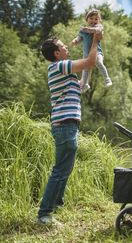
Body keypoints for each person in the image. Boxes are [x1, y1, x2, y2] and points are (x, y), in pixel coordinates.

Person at [37, 32, 102, 225]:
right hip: (64, 124)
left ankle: (55, 206)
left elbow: (83, 78)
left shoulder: (64, 71)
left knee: (64, 169)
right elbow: (89, 62)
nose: (67, 48)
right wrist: (95, 41)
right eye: (63, 46)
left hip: (67, 124)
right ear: (57, 53)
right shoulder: (59, 66)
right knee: (60, 170)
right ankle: (44, 214)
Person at [71, 9, 112, 92]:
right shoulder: (83, 31)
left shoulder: (99, 27)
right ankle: (85, 85)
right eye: (91, 18)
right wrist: (75, 41)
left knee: (99, 62)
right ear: (87, 19)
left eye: (96, 19)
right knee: (85, 69)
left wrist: (86, 29)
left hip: (97, 52)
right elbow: (80, 37)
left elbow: (97, 31)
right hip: (86, 54)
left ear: (99, 20)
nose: (94, 20)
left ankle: (107, 79)